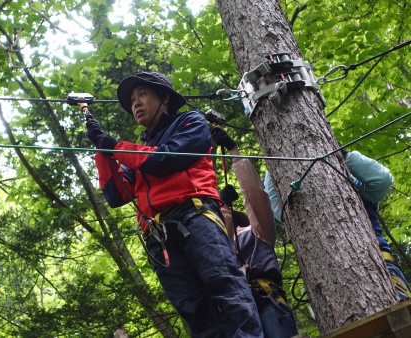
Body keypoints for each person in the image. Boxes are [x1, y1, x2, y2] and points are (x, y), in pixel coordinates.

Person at [85, 71, 263, 337]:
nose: (135, 103)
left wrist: (118, 148)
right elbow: (117, 195)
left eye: (142, 94)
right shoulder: (141, 149)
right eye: (132, 99)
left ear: (164, 98)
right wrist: (103, 152)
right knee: (194, 310)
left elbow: (167, 159)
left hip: (196, 215)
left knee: (225, 285)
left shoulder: (190, 122)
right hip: (159, 236)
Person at [264, 150, 411, 301]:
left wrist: (344, 155)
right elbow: (278, 206)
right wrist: (274, 162)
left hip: (379, 262)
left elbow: (382, 179)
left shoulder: (356, 187)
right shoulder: (298, 209)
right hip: (330, 281)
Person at [212, 127, 298, 338]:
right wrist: (223, 207)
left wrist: (234, 152)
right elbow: (221, 234)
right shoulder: (218, 246)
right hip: (238, 313)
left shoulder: (260, 233)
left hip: (266, 301)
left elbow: (255, 195)